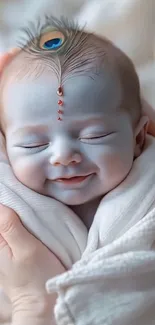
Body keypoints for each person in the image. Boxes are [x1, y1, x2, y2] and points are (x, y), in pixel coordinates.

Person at [0, 17, 155, 324]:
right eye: (33, 144)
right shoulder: (11, 199)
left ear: (138, 138)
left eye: (93, 136)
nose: (63, 156)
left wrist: (33, 305)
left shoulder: (146, 195)